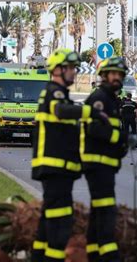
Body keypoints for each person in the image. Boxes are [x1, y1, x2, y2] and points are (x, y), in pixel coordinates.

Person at [31, 48, 107, 262]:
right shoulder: (54, 92)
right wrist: (90, 111)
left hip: (59, 168)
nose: (74, 72)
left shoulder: (60, 94)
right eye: (71, 68)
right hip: (55, 167)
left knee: (47, 223)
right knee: (60, 224)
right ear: (58, 70)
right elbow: (60, 111)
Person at [80, 57, 129, 262]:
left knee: (98, 211)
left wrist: (123, 144)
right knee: (106, 210)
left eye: (120, 74)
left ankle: (93, 253)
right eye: (113, 74)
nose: (117, 78)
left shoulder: (111, 99)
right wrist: (122, 139)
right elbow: (95, 128)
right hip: (98, 164)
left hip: (104, 164)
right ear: (104, 76)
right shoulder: (100, 99)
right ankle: (109, 256)